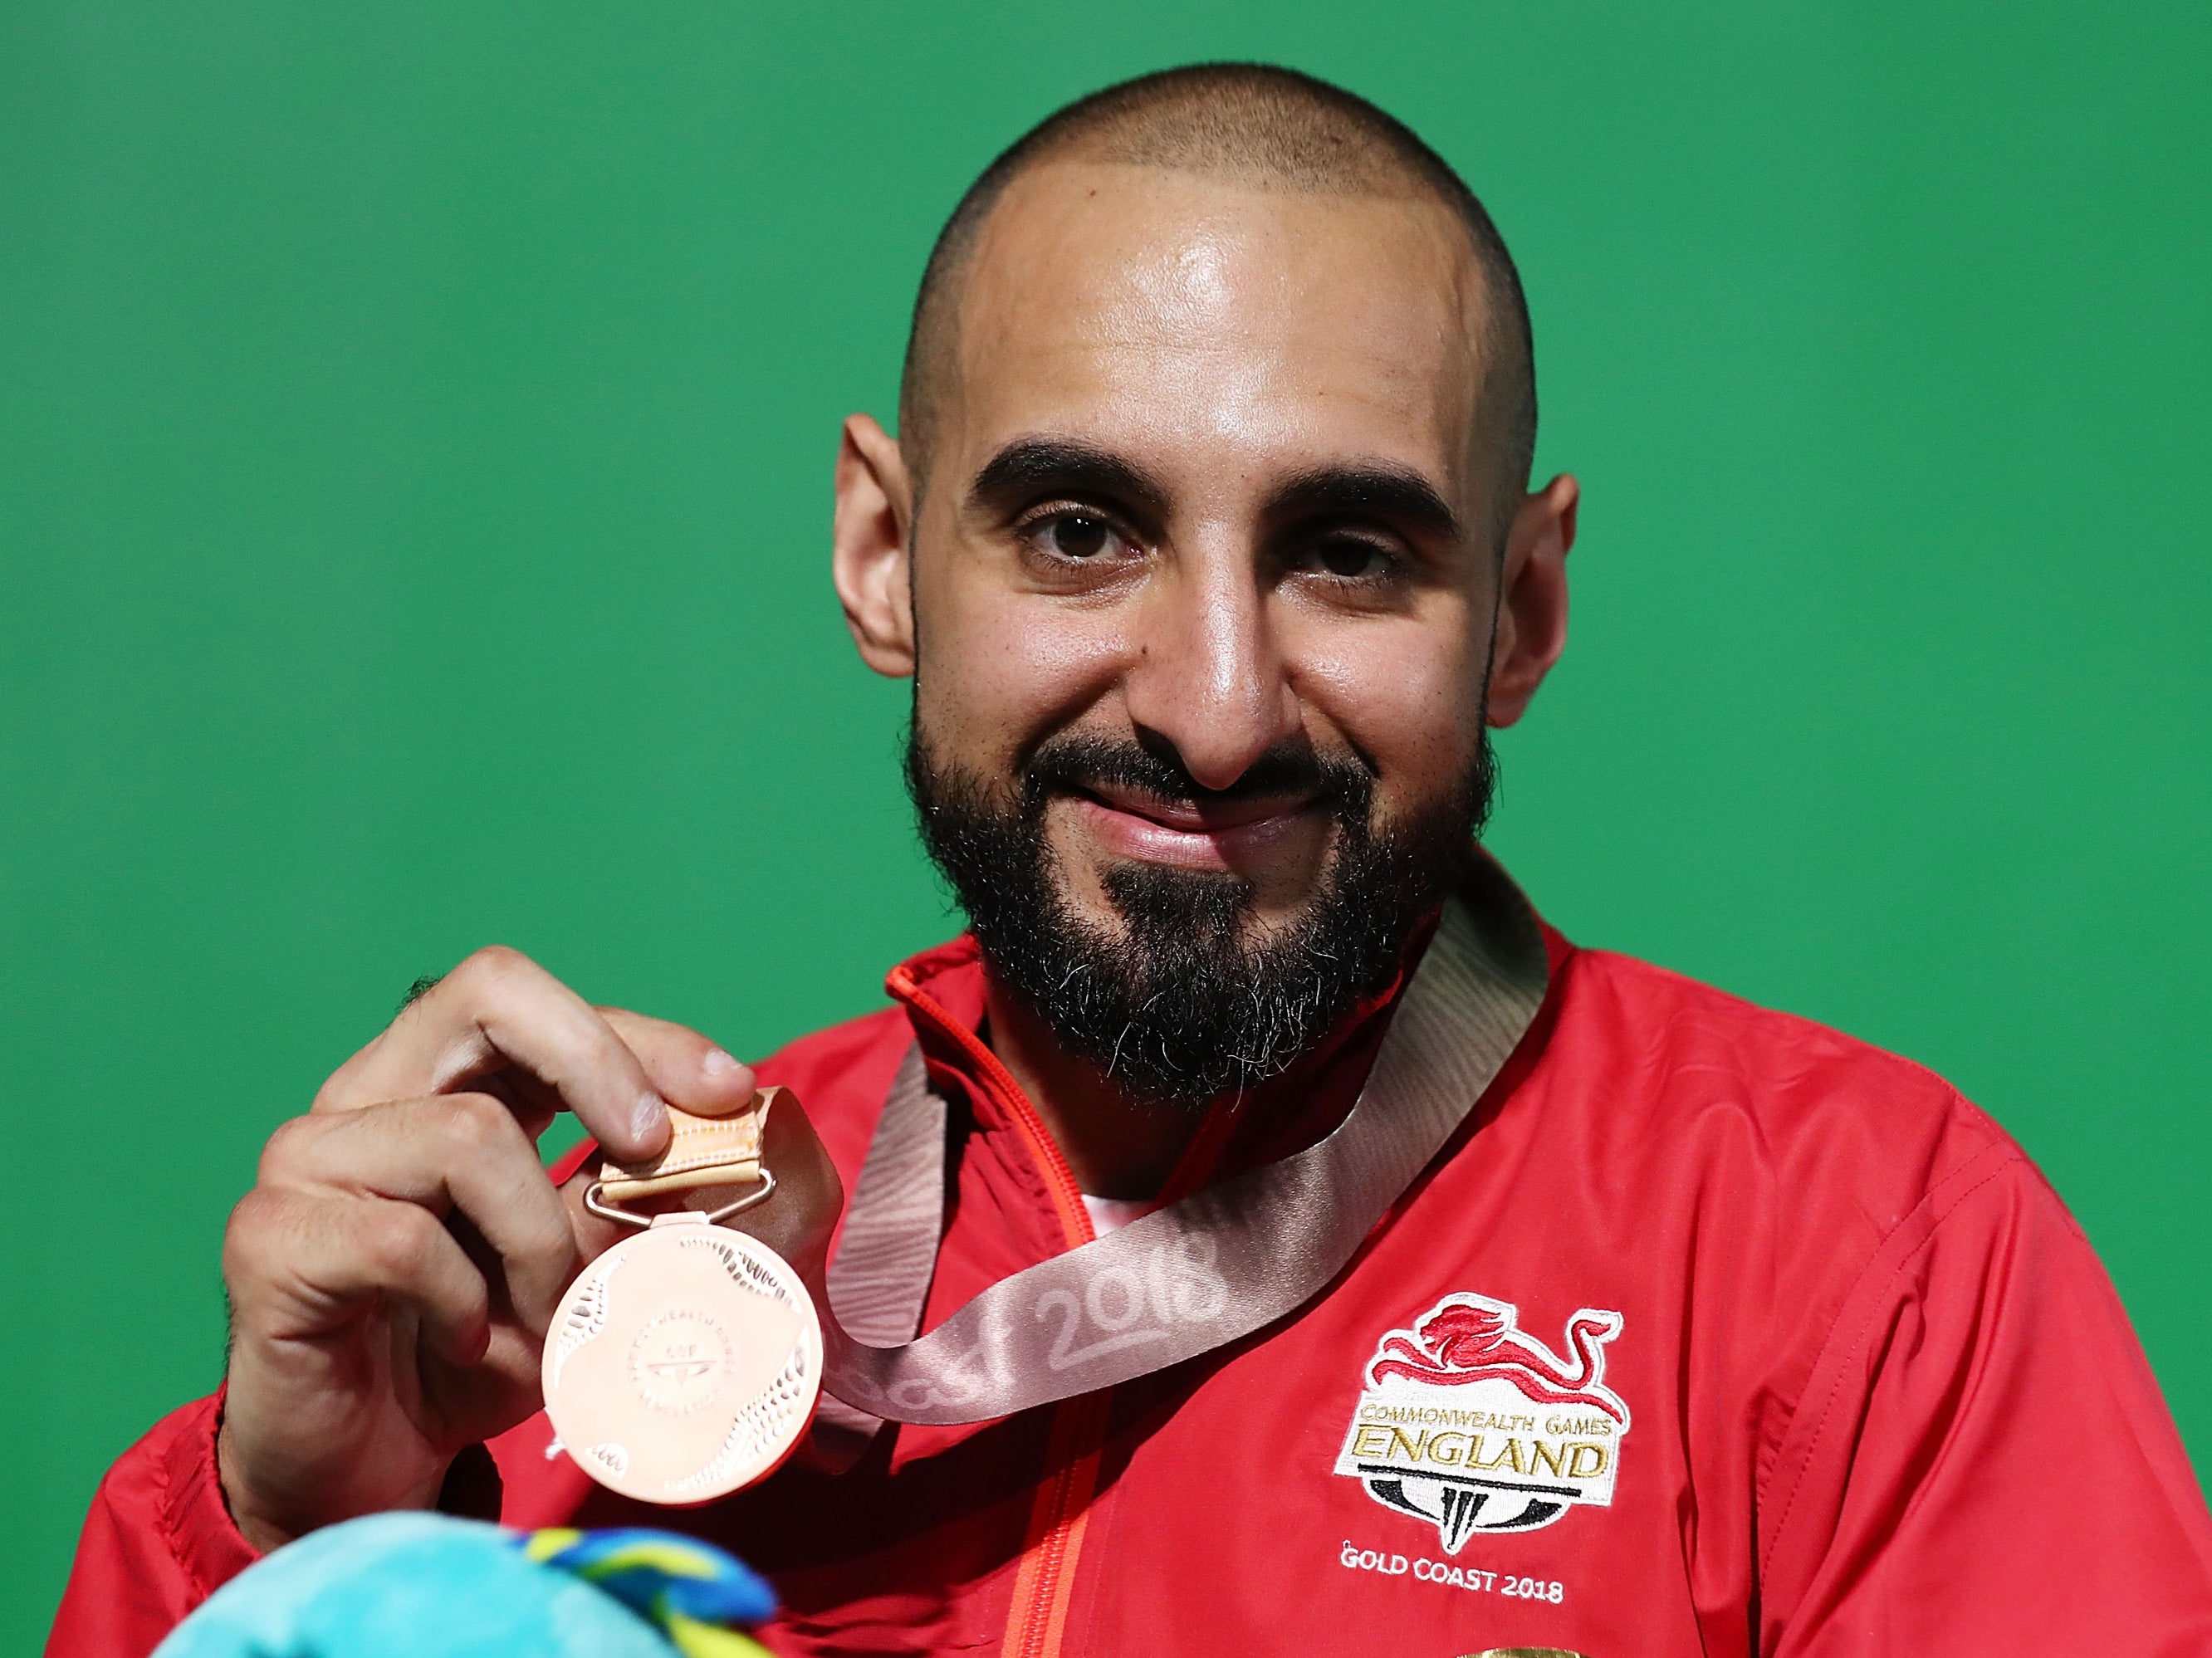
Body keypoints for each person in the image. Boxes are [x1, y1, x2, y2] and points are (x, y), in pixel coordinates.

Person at [51, 62, 2212, 1658]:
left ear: (1523, 619)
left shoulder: (1862, 1266)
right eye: (1080, 529)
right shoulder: (567, 1314)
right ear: (885, 555)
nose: (1210, 702)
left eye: (1348, 554)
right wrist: (303, 1539)